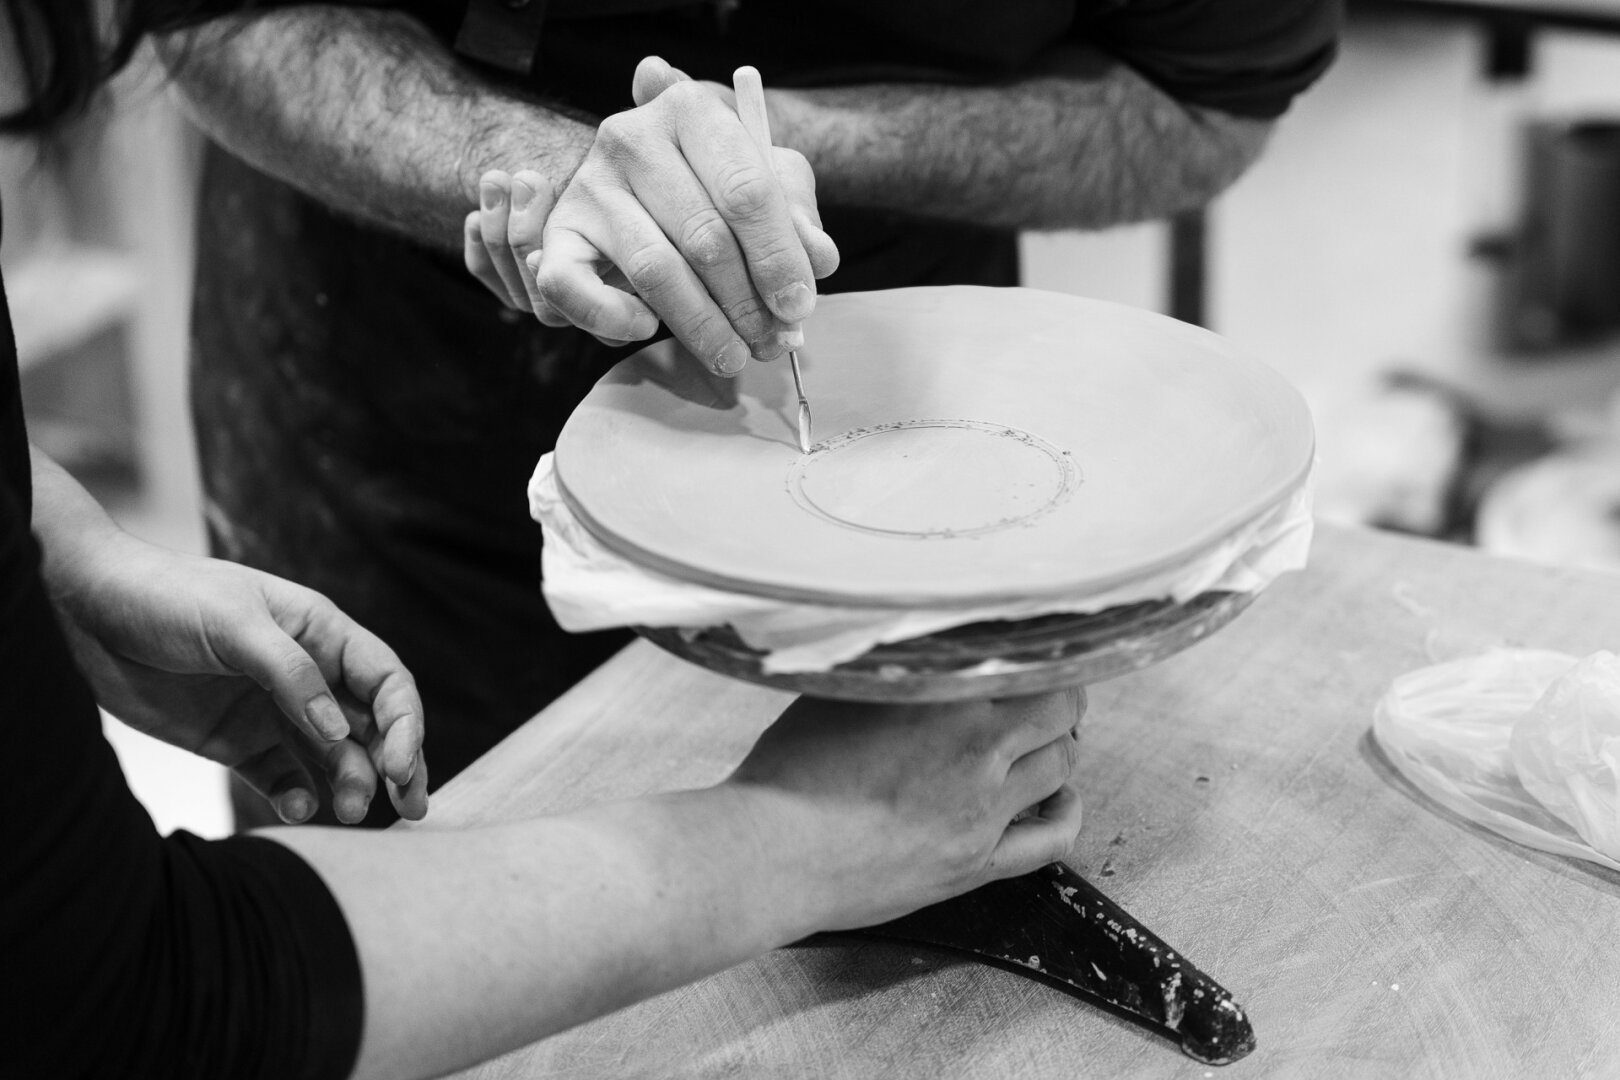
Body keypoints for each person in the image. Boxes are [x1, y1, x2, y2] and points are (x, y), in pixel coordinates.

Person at [1, 8, 1086, 1076]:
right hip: (396, 435)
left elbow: (1201, 94)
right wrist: (802, 837)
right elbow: (127, 1008)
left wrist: (57, 550)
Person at [153, 0, 1341, 827]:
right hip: (400, 403)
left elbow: (1204, 103)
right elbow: (221, 19)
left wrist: (772, 151)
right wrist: (528, 163)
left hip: (897, 366)